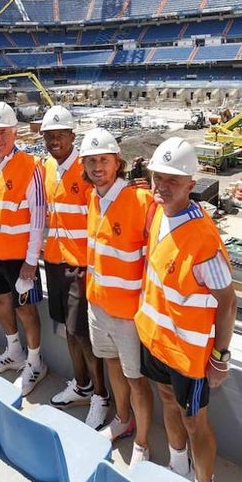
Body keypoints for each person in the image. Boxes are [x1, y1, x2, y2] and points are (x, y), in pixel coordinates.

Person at [135, 137, 238, 482]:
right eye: (157, 178)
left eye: (172, 181)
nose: (161, 187)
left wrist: (220, 358)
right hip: (158, 342)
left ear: (191, 186)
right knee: (166, 400)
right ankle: (177, 465)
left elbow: (227, 303)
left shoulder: (204, 240)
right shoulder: (158, 214)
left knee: (195, 422)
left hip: (190, 355)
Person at [81, 127, 155, 464]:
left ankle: (141, 441)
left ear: (118, 163)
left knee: (136, 379)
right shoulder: (92, 198)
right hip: (98, 305)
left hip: (128, 314)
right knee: (112, 365)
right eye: (92, 161)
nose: (98, 167)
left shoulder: (141, 201)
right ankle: (122, 420)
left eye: (104, 160)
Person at [0, 101, 48, 395]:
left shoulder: (30, 167)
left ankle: (34, 362)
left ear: (15, 133)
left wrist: (31, 261)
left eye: (3, 132)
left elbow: (38, 217)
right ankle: (14, 351)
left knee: (26, 310)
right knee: (2, 303)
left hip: (20, 259)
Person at [41, 107, 110, 428]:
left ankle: (100, 395)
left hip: (80, 269)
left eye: (60, 135)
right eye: (49, 136)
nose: (54, 141)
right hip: (54, 262)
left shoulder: (85, 175)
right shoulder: (46, 170)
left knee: (83, 334)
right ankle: (82, 386)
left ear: (72, 137)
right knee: (68, 329)